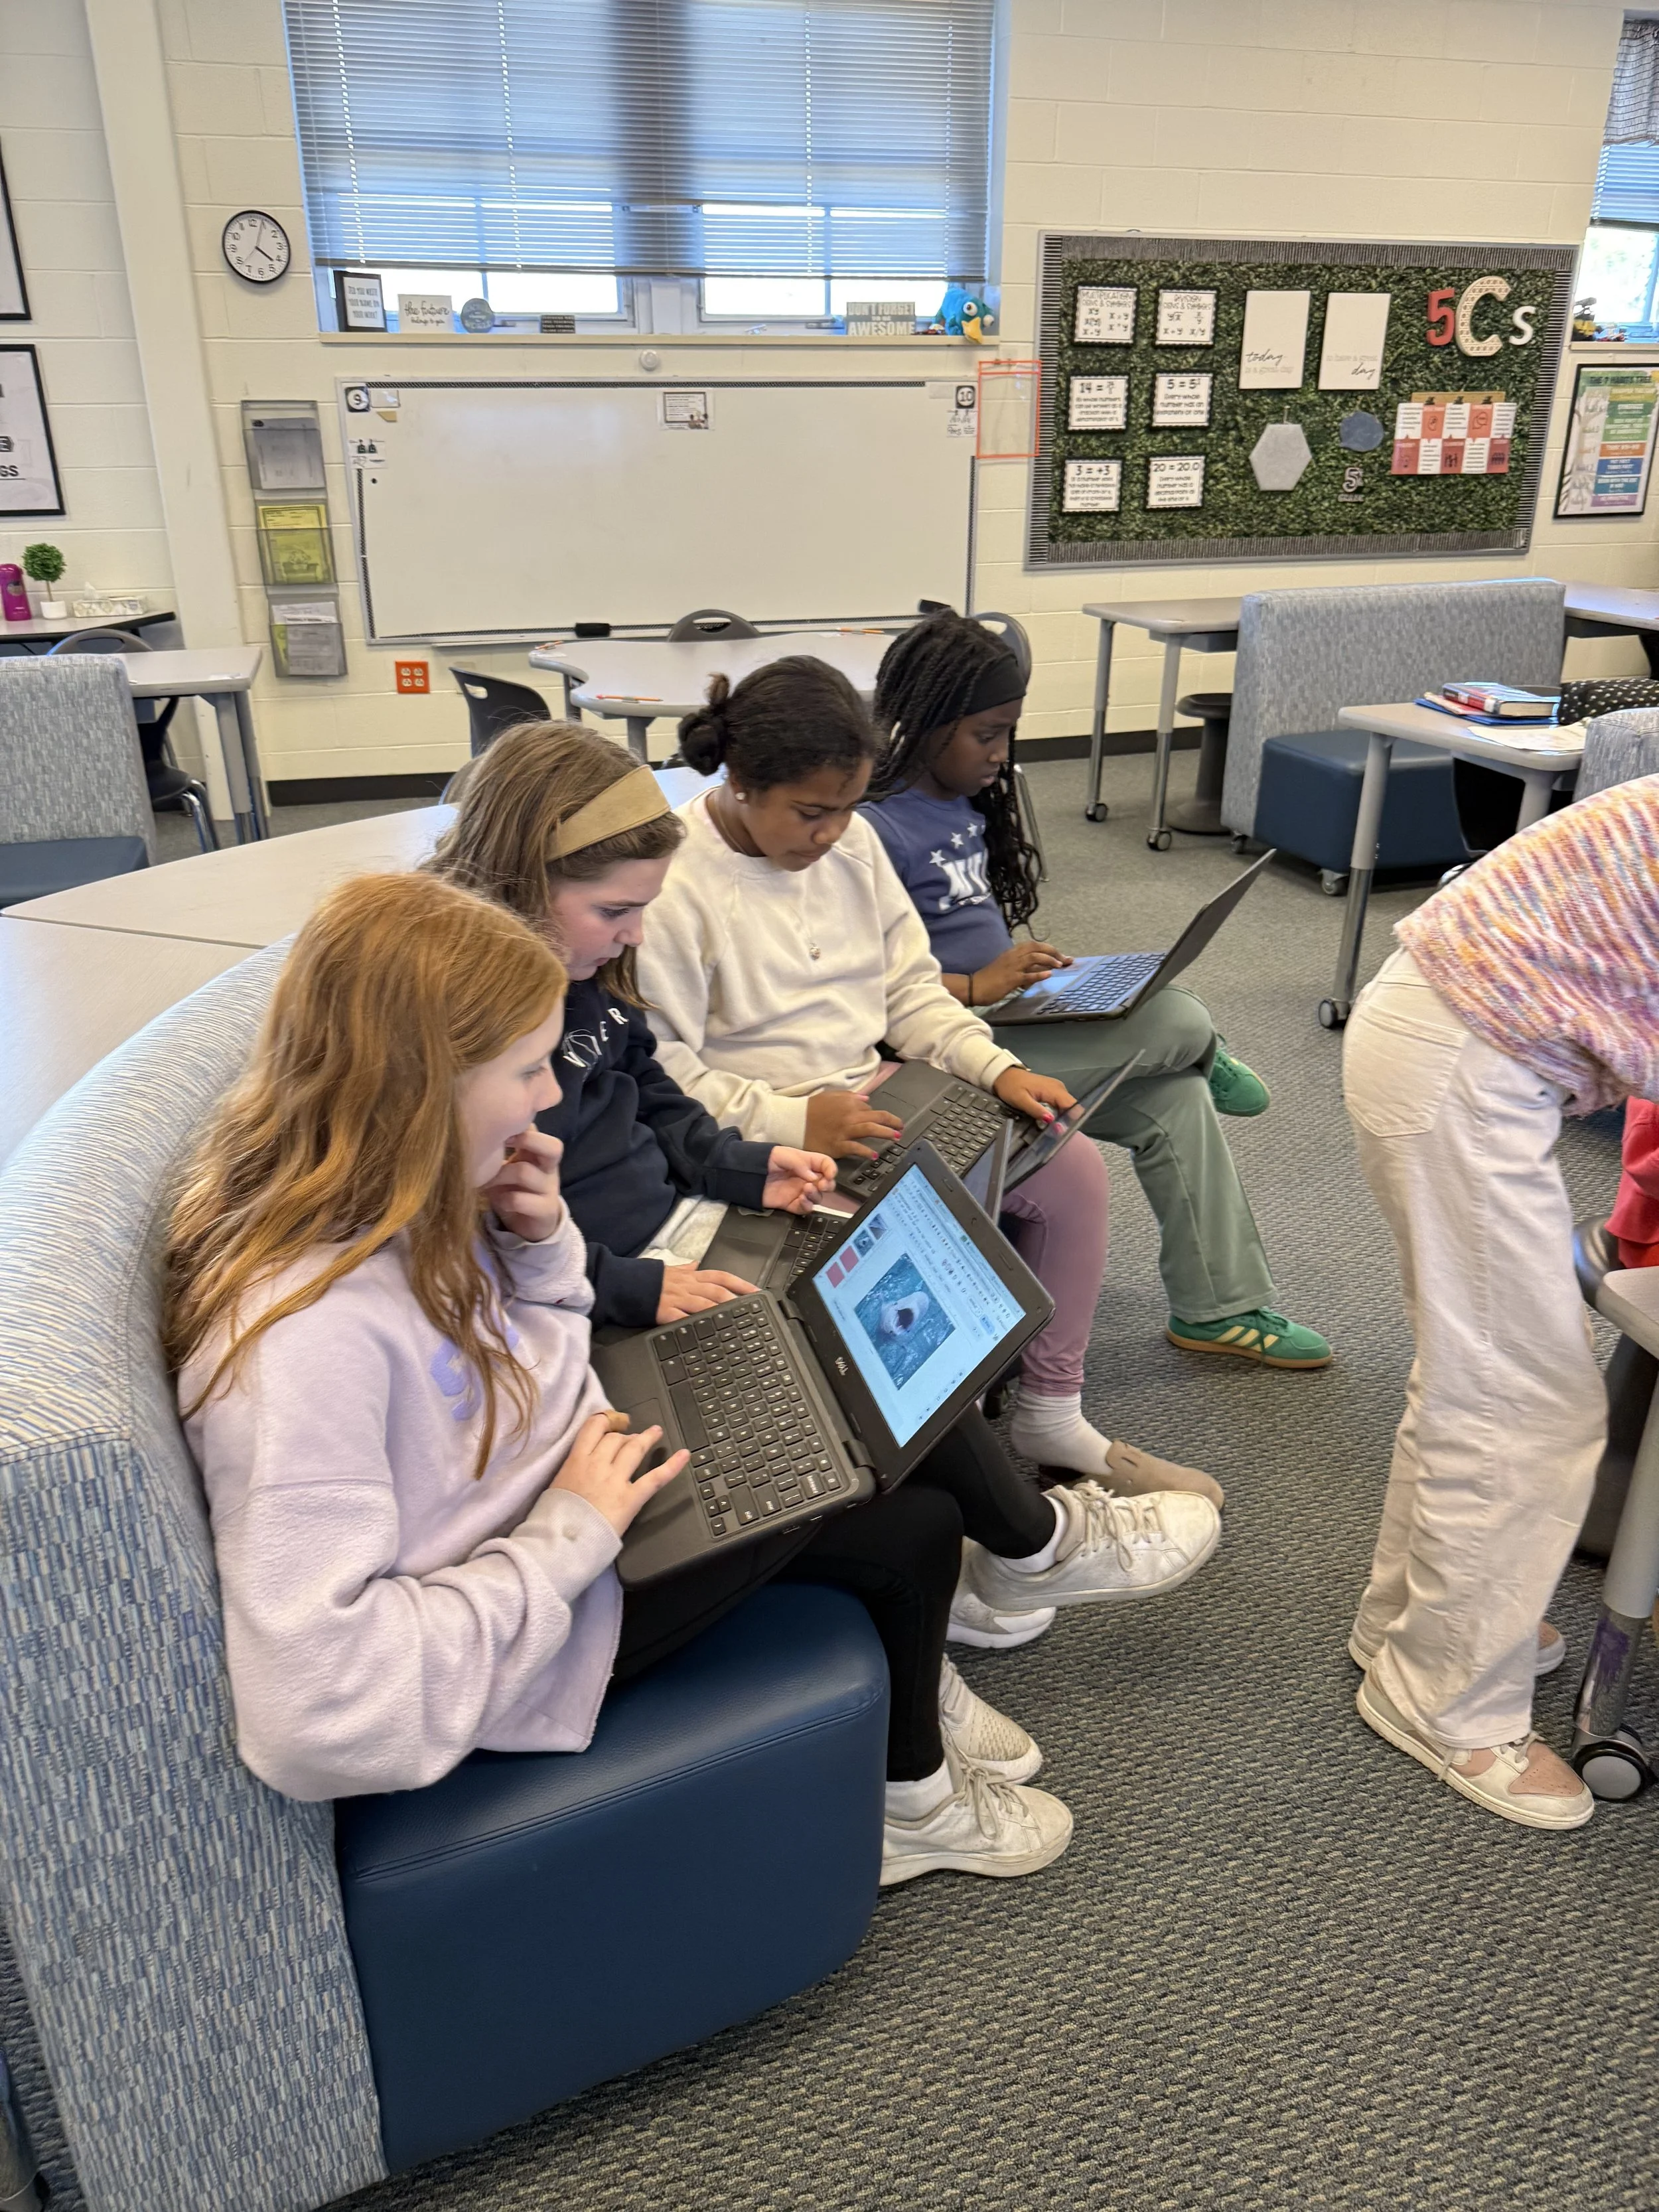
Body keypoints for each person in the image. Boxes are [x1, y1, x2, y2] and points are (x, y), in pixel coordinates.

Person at [425, 720, 1218, 1659]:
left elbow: (656, 1096)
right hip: (607, 1286)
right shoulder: (475, 1028)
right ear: (525, 882)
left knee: (882, 1300)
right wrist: (638, 1286)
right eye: (615, 912)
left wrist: (746, 1164)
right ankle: (1025, 1546)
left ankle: (999, 1553)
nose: (636, 933)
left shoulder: (582, 972)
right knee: (845, 1342)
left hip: (679, 1229)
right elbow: (475, 1252)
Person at [636, 652, 1222, 1509]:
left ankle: (1052, 1413)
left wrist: (998, 1066)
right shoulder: (674, 886)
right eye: (809, 812)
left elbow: (909, 990)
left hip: (880, 1091)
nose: (832, 834)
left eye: (846, 809)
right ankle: (956, 1490)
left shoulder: (857, 842)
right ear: (737, 780)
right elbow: (669, 1074)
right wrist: (793, 1120)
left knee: (1072, 1171)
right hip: (766, 1140)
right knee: (912, 1268)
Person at [863, 610, 1331, 1376]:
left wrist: (1019, 970)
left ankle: (1217, 1310)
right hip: (944, 1052)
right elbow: (869, 986)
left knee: (1174, 1102)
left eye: (1009, 731)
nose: (1003, 753)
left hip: (1007, 1019)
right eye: (986, 734)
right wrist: (976, 983)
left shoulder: (962, 800)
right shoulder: (873, 828)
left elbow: (965, 923)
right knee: (1178, 1021)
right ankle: (1206, 1050)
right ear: (925, 721)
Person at [1338, 777, 1659, 1830]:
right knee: (1527, 1404)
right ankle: (1444, 1699)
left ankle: (1410, 1624)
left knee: (1477, 1376)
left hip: (1449, 1032)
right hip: (1465, 1056)